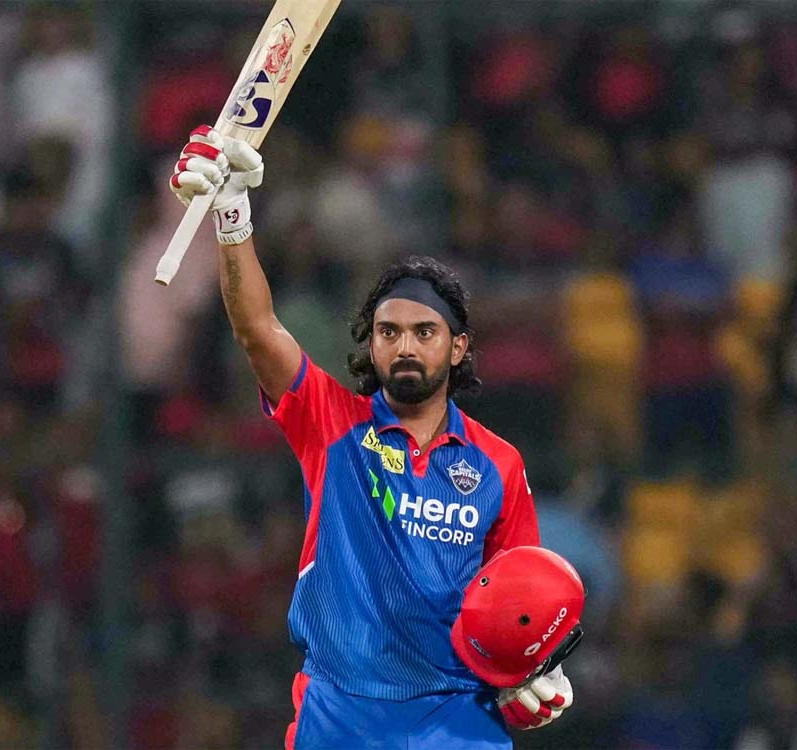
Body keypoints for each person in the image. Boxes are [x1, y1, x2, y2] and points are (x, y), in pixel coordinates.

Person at [168, 125, 574, 749]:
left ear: (458, 347)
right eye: (389, 332)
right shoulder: (331, 424)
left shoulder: (499, 463)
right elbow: (257, 330)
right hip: (341, 714)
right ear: (371, 343)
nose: (405, 345)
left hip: (458, 720)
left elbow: (519, 594)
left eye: (424, 332)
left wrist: (533, 669)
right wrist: (232, 213)